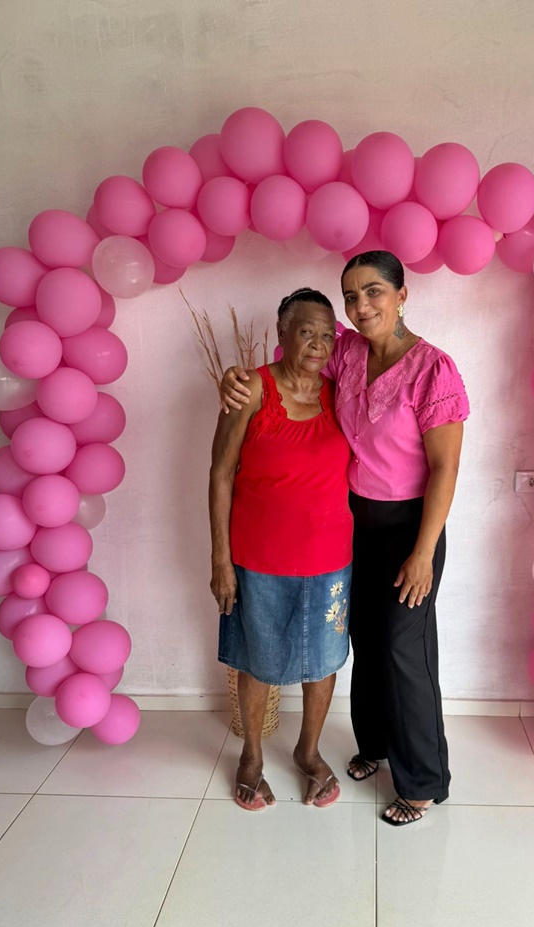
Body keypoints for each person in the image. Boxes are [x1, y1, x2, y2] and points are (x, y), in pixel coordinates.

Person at [221, 251, 468, 826]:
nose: (361, 306)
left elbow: (446, 468)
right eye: (351, 296)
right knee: (363, 640)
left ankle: (423, 782)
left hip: (410, 526)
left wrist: (424, 553)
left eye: (374, 291)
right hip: (353, 520)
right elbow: (292, 361)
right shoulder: (347, 352)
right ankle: (373, 745)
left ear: (402, 295)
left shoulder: (433, 370)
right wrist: (238, 377)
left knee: (404, 649)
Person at [209, 288, 353, 811]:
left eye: (327, 335)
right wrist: (220, 560)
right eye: (306, 332)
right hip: (259, 560)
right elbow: (221, 473)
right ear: (282, 334)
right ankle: (250, 756)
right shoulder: (251, 388)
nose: (318, 344)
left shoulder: (342, 394)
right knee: (257, 661)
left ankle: (308, 752)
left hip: (331, 559)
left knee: (325, 661)